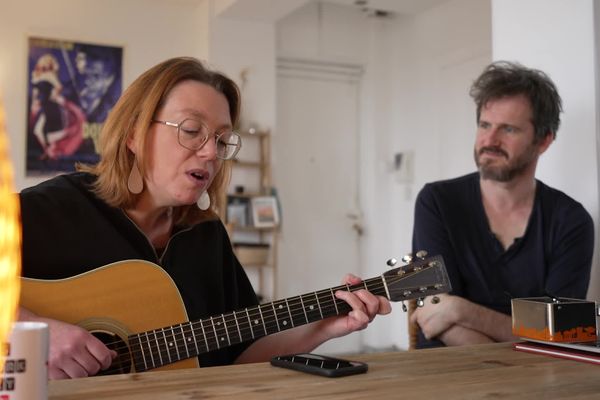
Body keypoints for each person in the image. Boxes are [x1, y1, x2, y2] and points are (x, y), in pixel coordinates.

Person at [18, 56, 391, 379]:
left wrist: (322, 326)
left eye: (222, 140)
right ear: (133, 134)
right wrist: (34, 330)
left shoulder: (206, 235)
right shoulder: (51, 209)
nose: (211, 152)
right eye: (192, 131)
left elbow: (237, 357)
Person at [410, 61, 594, 348]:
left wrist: (463, 310)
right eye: (485, 125)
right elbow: (435, 318)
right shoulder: (437, 202)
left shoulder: (571, 220)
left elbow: (559, 334)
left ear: (543, 140)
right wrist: (517, 349)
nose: (489, 140)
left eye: (508, 129)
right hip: (447, 375)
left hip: (540, 381)